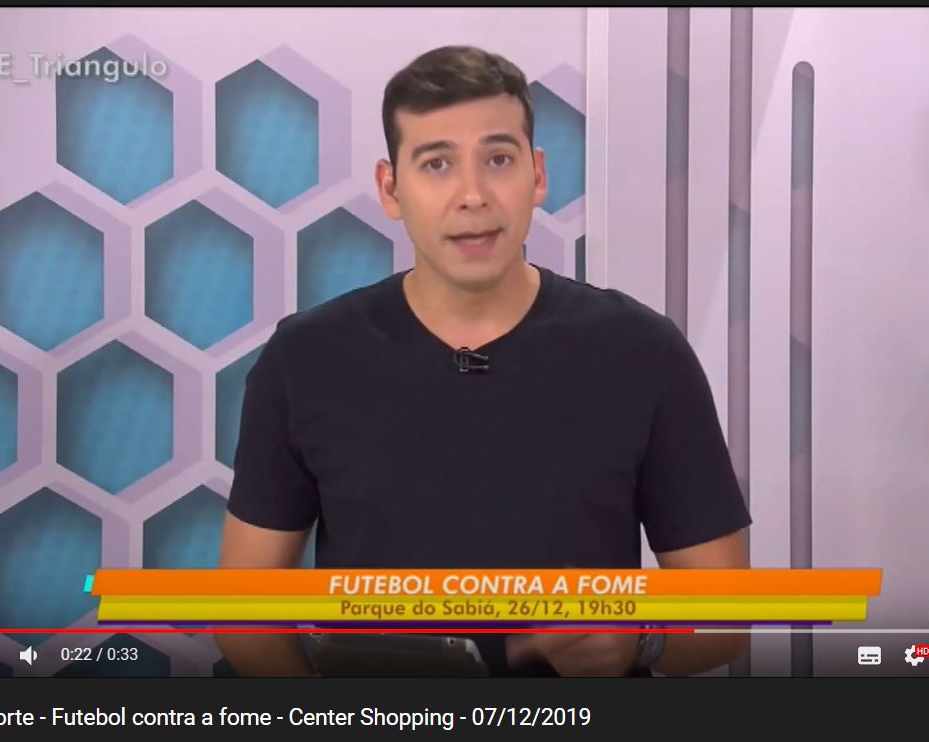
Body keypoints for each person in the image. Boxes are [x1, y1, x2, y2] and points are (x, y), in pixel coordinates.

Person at [217, 45, 751, 677]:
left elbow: (726, 618)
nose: (473, 195)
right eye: (436, 164)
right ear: (391, 188)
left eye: (498, 159)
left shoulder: (644, 352)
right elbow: (243, 616)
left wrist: (641, 641)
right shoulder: (305, 359)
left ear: (537, 175)